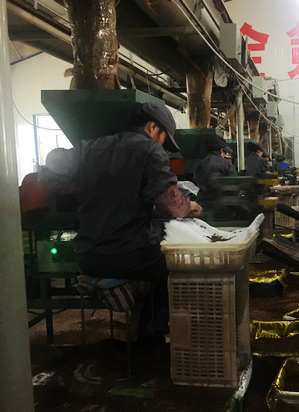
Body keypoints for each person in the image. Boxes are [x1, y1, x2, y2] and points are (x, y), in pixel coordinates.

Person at [38, 101, 203, 351]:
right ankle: (148, 338)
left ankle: (141, 326)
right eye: (163, 138)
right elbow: (170, 205)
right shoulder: (150, 150)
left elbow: (53, 168)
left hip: (88, 256)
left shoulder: (91, 147)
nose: (162, 145)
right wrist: (190, 206)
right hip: (128, 256)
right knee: (175, 266)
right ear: (153, 126)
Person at [194, 134, 237, 203]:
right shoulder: (226, 164)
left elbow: (196, 182)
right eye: (225, 153)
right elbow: (234, 184)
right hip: (222, 203)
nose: (224, 156)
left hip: (202, 202)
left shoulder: (200, 165)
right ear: (221, 151)